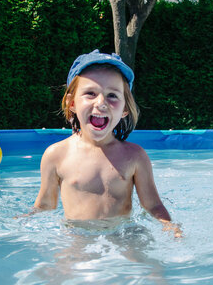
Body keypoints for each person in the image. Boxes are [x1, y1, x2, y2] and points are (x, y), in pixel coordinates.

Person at [33, 49, 182, 237]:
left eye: (112, 95)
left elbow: (153, 204)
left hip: (124, 235)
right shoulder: (56, 155)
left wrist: (169, 226)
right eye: (90, 93)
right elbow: (45, 204)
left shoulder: (134, 156)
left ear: (125, 108)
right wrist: (22, 222)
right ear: (72, 103)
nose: (101, 102)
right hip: (78, 237)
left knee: (152, 267)